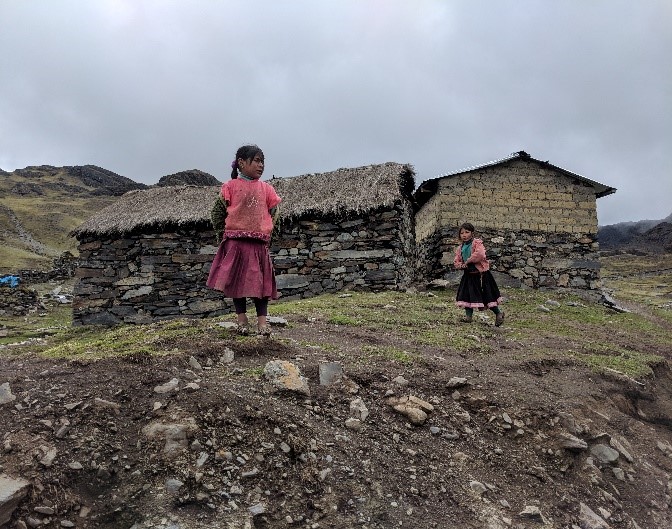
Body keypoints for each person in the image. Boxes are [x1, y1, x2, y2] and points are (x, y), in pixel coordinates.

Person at [206, 144, 281, 336]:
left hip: (258, 244)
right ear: (241, 162)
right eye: (256, 160)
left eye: (262, 161)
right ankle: (241, 319)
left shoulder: (266, 189)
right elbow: (217, 213)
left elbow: (275, 212)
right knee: (236, 282)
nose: (261, 165)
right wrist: (222, 235)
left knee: (261, 284)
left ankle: (262, 322)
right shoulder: (230, 187)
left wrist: (268, 235)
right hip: (236, 244)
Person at [453, 222, 505, 326]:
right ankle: (468, 317)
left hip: (481, 275)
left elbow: (480, 254)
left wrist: (467, 262)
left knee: (487, 295)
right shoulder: (460, 248)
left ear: (472, 233)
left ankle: (498, 313)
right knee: (467, 295)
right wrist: (460, 265)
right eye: (462, 233)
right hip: (469, 275)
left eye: (467, 232)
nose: (464, 235)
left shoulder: (477, 243)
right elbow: (456, 261)